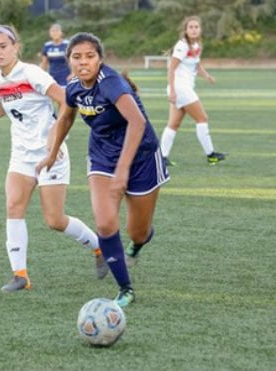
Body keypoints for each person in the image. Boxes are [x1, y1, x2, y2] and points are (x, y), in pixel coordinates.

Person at [0, 25, 108, 293]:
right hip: (21, 156)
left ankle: (99, 247)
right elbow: (0, 107)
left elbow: (66, 100)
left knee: (55, 221)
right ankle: (20, 275)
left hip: (50, 154)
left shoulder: (32, 73)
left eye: (3, 46)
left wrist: (53, 139)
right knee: (13, 207)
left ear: (15, 47)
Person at [37, 32, 169, 308]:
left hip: (142, 157)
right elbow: (65, 118)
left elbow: (137, 122)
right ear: (69, 60)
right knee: (106, 223)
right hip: (102, 158)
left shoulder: (112, 83)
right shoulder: (73, 86)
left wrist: (123, 170)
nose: (83, 62)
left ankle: (139, 243)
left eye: (89, 56)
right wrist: (51, 153)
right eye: (77, 57)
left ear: (100, 59)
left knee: (138, 232)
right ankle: (125, 289)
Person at [160, 16, 226, 165]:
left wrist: (207, 76)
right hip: (180, 88)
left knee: (173, 124)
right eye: (191, 27)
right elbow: (171, 69)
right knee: (202, 118)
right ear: (185, 30)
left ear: (200, 29)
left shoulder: (196, 45)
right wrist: (172, 91)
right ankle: (211, 155)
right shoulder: (182, 45)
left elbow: (197, 65)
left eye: (196, 27)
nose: (194, 29)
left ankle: (162, 158)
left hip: (183, 88)